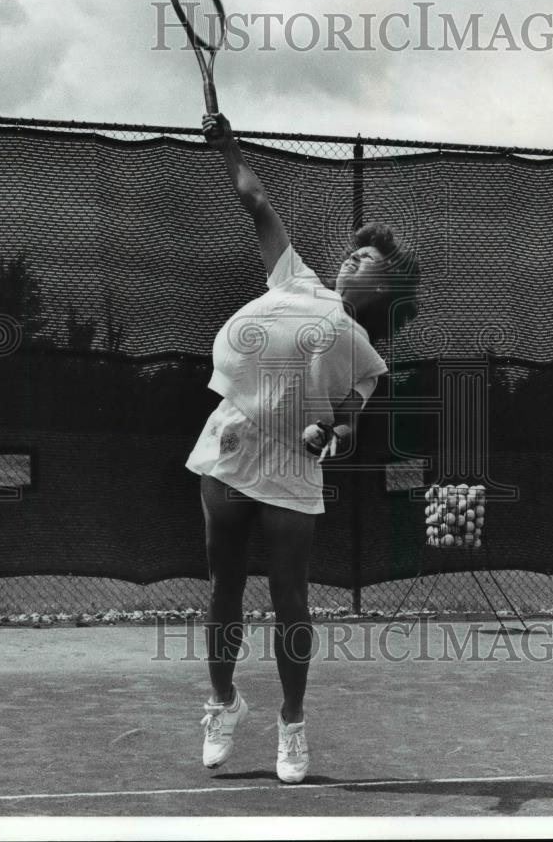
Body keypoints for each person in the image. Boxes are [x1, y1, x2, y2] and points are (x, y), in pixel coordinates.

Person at [186, 113, 419, 784]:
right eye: (353, 253)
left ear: (385, 292)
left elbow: (347, 425)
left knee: (289, 596)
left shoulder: (367, 358)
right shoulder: (295, 280)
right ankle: (223, 702)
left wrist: (331, 433)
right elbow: (256, 202)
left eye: (367, 262)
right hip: (230, 447)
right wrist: (228, 148)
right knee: (223, 587)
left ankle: (291, 723)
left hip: (292, 467)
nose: (352, 259)